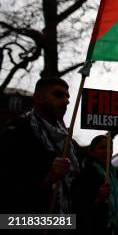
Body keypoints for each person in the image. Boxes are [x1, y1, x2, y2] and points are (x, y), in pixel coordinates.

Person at [0, 77, 80, 213]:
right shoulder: (16, 132)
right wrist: (48, 178)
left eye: (67, 97)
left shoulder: (70, 143)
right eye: (58, 95)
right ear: (38, 98)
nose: (66, 101)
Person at [74, 135, 118, 235]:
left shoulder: (116, 175)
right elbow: (79, 209)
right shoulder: (85, 174)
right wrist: (99, 199)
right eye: (102, 148)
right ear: (92, 152)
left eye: (109, 148)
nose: (107, 151)